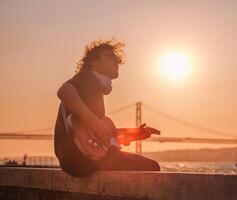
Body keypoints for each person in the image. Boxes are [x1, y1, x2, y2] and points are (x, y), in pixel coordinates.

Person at [54, 38, 160, 177]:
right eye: (110, 58)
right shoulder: (87, 77)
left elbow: (97, 138)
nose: (115, 62)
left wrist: (135, 134)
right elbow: (64, 91)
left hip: (78, 160)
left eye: (116, 59)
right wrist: (95, 122)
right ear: (93, 63)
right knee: (151, 166)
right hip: (81, 159)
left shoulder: (92, 87)